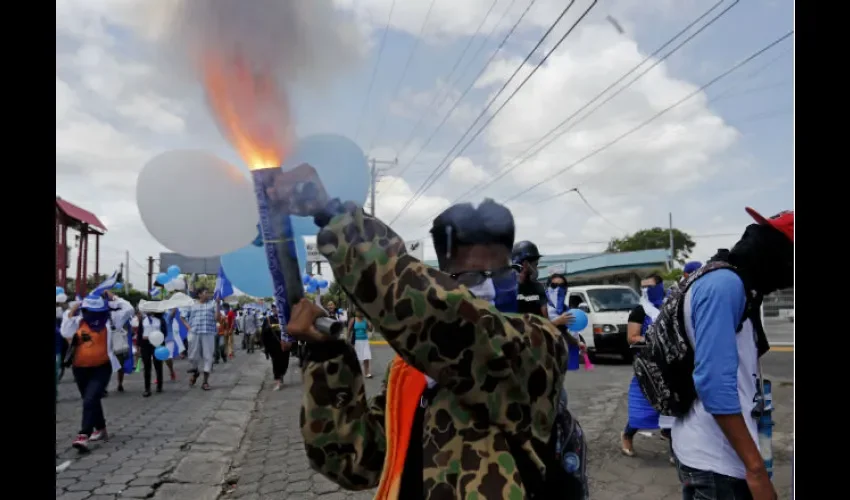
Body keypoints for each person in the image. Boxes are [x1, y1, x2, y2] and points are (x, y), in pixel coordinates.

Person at [288, 193, 569, 498]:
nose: (488, 287)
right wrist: (327, 355)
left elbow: (448, 321)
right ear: (443, 281)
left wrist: (334, 216)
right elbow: (358, 463)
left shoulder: (540, 345)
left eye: (502, 273)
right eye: (471, 276)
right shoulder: (408, 373)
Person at [671, 208, 792, 500]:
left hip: (718, 449)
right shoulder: (726, 286)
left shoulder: (734, 282)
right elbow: (713, 383)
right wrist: (756, 470)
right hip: (716, 460)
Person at [60, 289, 134, 452]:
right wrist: (73, 310)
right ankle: (101, 428)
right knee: (90, 399)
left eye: (96, 311)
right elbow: (65, 331)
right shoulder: (78, 320)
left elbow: (129, 309)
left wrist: (114, 298)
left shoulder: (111, 319)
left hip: (102, 367)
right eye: (89, 311)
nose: (93, 315)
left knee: (90, 398)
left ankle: (83, 435)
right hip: (79, 368)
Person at [621, 275, 674, 459]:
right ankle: (627, 435)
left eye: (649, 287)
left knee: (671, 406)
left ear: (660, 286)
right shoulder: (640, 311)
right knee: (643, 406)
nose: (645, 291)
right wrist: (654, 340)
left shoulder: (671, 307)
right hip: (647, 367)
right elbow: (632, 337)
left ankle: (675, 449)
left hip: (670, 366)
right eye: (642, 287)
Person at [180, 286, 218, 391]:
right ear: (199, 294)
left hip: (208, 333)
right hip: (195, 333)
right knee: (192, 356)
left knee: (208, 356)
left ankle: (205, 382)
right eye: (205, 292)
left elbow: (216, 318)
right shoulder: (191, 304)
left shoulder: (213, 304)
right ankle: (195, 371)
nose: (208, 294)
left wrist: (218, 304)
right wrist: (188, 327)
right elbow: (182, 317)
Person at [545, 273, 584, 371]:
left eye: (562, 286)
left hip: (564, 356)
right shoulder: (543, 308)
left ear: (566, 289)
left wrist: (579, 343)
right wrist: (556, 322)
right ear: (548, 288)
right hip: (547, 356)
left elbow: (572, 337)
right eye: (554, 286)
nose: (558, 289)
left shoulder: (568, 311)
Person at [512, 240, 548, 316]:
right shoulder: (506, 289)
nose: (536, 269)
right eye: (535, 264)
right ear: (525, 264)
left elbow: (545, 318)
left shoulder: (538, 287)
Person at [261, 304, 291, 391]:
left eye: (277, 307)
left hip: (284, 345)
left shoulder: (286, 318)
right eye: (274, 308)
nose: (276, 309)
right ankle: (277, 380)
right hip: (273, 346)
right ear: (272, 309)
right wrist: (268, 328)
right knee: (275, 362)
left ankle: (281, 375)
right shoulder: (268, 319)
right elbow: (263, 334)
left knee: (285, 362)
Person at [137, 311, 167, 397]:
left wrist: (156, 336)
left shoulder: (160, 320)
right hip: (145, 344)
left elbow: (165, 332)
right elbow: (139, 333)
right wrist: (138, 345)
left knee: (158, 365)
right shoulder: (143, 319)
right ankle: (147, 388)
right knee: (146, 366)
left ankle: (159, 385)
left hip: (157, 344)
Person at [347, 310, 372, 378]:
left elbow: (370, 329)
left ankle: (367, 372)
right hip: (356, 341)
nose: (359, 313)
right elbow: (349, 330)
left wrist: (370, 323)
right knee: (355, 358)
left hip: (365, 341)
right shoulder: (353, 319)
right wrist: (347, 340)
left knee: (366, 357)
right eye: (358, 311)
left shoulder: (365, 320)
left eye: (361, 311)